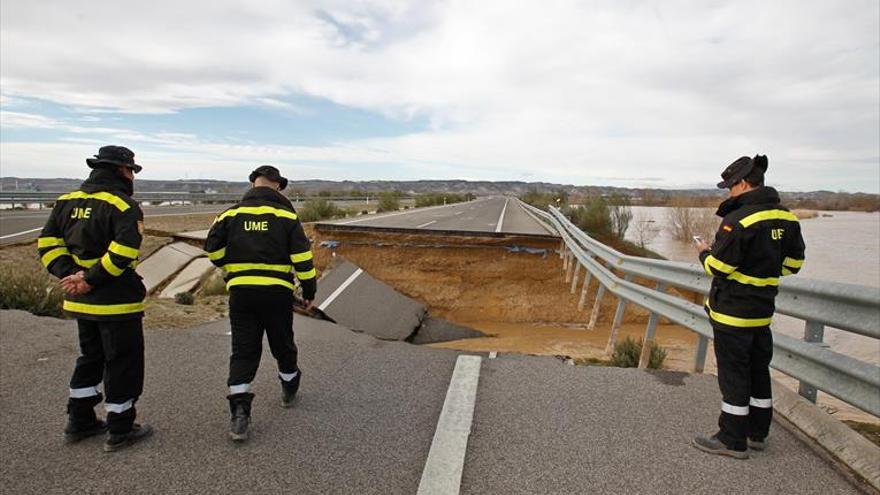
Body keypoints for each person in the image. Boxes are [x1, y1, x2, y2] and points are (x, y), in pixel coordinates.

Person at [37, 145, 153, 452]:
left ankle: (79, 421)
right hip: (116, 301)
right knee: (123, 363)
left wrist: (71, 274)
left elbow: (48, 244)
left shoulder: (66, 202)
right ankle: (120, 427)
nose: (132, 177)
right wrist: (88, 279)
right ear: (121, 171)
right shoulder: (123, 205)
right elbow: (123, 252)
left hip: (80, 302)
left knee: (89, 358)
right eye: (131, 171)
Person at [693, 154, 806, 459]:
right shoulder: (788, 218)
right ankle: (758, 433)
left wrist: (704, 252)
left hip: (732, 313)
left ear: (742, 183)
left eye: (730, 186)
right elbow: (794, 264)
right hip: (762, 313)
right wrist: (763, 271)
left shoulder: (738, 220)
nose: (728, 192)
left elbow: (718, 267)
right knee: (759, 371)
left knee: (733, 375)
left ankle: (732, 439)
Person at [204, 165, 317, 442]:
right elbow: (302, 259)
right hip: (277, 293)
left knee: (243, 350)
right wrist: (309, 290)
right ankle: (289, 388)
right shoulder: (286, 215)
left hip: (242, 293)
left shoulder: (230, 213)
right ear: (278, 186)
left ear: (254, 183)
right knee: (282, 343)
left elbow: (213, 250)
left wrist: (233, 264)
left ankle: (240, 413)